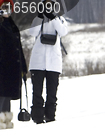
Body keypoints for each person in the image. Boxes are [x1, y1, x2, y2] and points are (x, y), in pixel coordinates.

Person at [28, 0, 68, 124]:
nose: (48, 7)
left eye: (51, 5)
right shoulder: (38, 19)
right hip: (38, 62)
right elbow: (32, 32)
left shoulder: (60, 19)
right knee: (37, 92)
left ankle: (50, 116)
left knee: (52, 93)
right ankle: (37, 117)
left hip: (53, 63)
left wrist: (53, 17)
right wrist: (40, 16)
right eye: (46, 4)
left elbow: (63, 32)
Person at [0, 0, 27, 129]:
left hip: (11, 66)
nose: (7, 10)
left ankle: (5, 117)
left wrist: (23, 66)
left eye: (9, 7)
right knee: (2, 92)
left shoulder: (11, 24)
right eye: (4, 7)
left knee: (7, 93)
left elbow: (18, 47)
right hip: (2, 65)